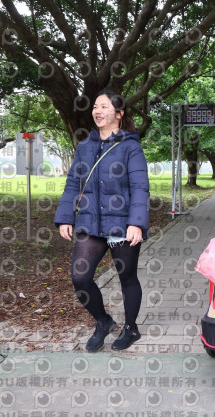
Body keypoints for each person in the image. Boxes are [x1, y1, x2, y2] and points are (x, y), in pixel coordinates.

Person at [54, 88, 149, 352]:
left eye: (104, 106)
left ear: (119, 114)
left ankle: (131, 329)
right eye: (96, 106)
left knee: (127, 277)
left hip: (122, 223)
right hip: (91, 222)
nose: (98, 111)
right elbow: (73, 183)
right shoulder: (85, 146)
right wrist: (65, 217)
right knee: (80, 277)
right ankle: (103, 321)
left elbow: (140, 187)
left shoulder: (131, 147)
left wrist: (136, 223)